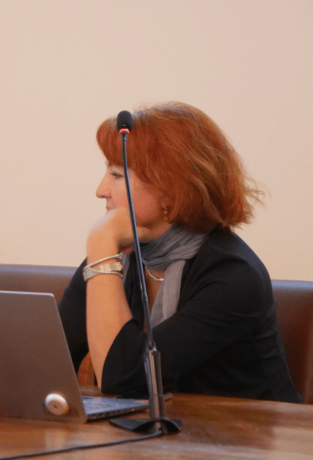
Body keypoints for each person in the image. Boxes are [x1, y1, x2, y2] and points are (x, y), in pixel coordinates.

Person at [58, 102, 302, 403]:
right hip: (169, 440)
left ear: (170, 189)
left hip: (249, 443)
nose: (100, 189)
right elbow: (47, 360)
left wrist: (99, 240)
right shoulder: (120, 256)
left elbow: (125, 377)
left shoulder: (233, 275)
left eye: (117, 175)